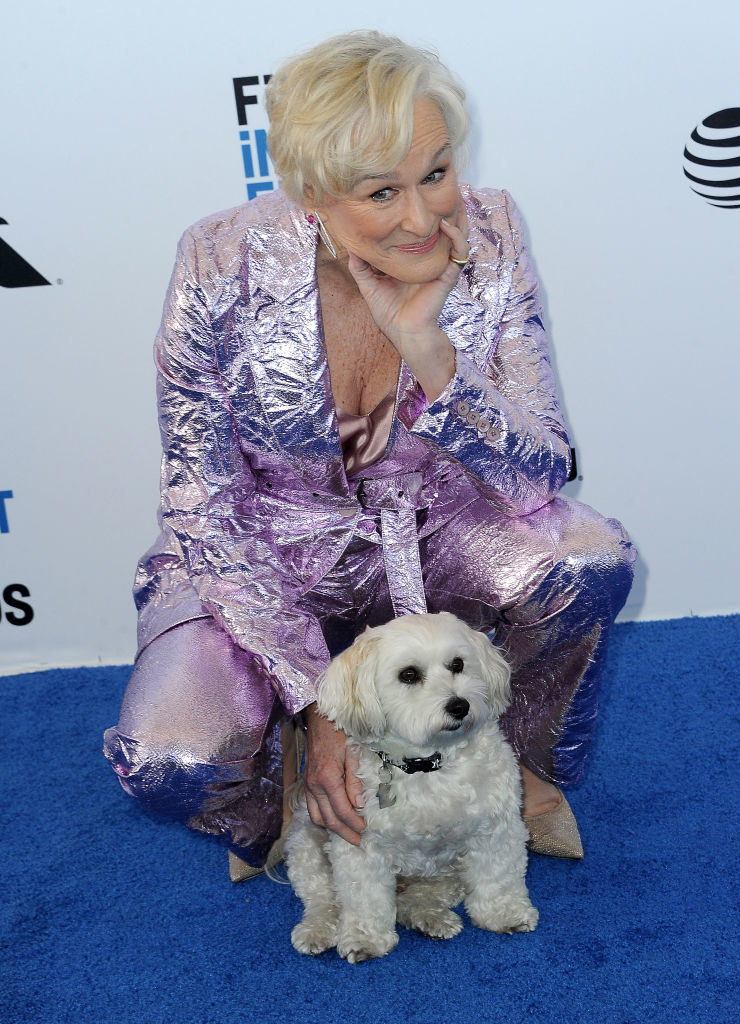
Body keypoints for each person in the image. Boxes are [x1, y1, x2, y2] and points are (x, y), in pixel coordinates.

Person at [103, 31, 634, 878]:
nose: (423, 219)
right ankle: (272, 789)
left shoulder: (489, 230)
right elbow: (203, 502)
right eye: (381, 192)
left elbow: (538, 475)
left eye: (435, 172)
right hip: (262, 552)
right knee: (172, 763)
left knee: (588, 563)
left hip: (426, 530)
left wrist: (428, 347)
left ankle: (518, 768)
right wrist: (318, 704)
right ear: (311, 194)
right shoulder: (216, 260)